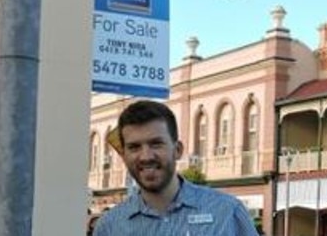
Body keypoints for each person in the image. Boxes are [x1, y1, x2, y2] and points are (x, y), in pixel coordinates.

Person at [93, 100, 259, 236]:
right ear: (124, 155)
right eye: (134, 147)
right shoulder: (109, 227)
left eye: (156, 144)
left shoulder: (228, 213)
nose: (146, 156)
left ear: (178, 150)